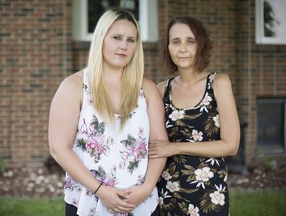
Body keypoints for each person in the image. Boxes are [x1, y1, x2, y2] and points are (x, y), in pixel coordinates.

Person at [48, 8, 167, 216]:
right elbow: (59, 148)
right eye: (117, 37)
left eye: (131, 40)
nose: (124, 45)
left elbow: (158, 145)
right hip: (88, 202)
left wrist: (146, 188)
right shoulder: (74, 86)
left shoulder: (147, 89)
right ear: (101, 39)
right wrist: (100, 190)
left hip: (141, 203)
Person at [149, 16, 240, 215]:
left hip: (209, 196)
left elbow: (231, 145)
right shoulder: (161, 89)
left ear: (201, 46)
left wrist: (174, 147)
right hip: (167, 192)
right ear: (168, 47)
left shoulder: (218, 83)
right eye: (176, 41)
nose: (182, 48)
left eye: (190, 41)